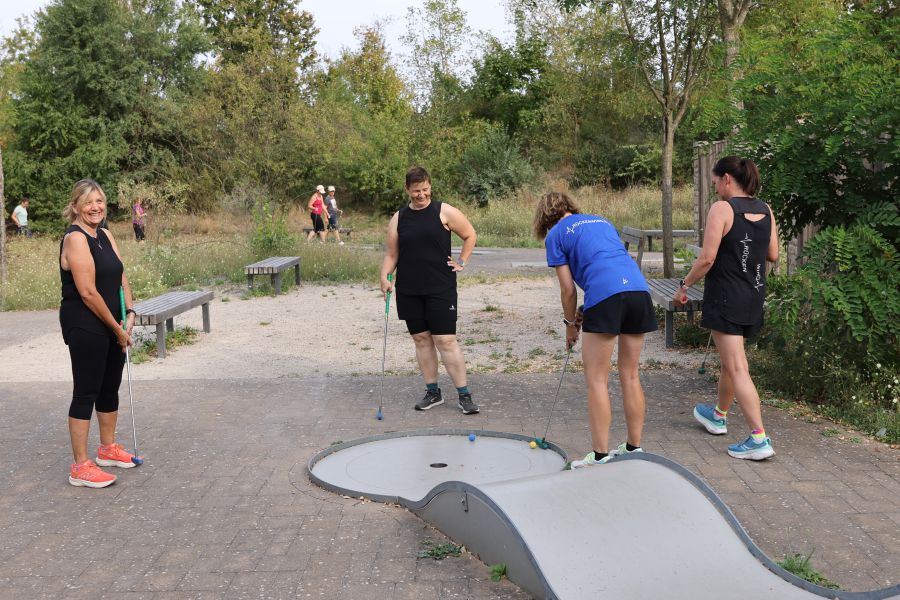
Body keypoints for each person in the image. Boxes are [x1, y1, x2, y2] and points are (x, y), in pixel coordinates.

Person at [534, 192, 657, 468]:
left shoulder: (555, 235)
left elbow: (567, 290)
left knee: (597, 379)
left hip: (607, 295)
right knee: (631, 375)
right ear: (570, 206)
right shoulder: (601, 221)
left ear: (544, 217)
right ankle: (634, 448)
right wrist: (588, 309)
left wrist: (569, 326)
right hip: (638, 290)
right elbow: (608, 264)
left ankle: (600, 455)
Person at [674, 156, 779, 461]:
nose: (716, 187)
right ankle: (718, 415)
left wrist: (684, 284)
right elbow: (773, 254)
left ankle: (759, 438)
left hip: (726, 297)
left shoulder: (722, 209)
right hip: (753, 295)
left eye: (716, 181)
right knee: (731, 361)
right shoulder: (766, 209)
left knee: (737, 367)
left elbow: (706, 258)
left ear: (728, 180)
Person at [59, 179, 139, 488]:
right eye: (89, 202)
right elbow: (89, 293)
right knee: (86, 391)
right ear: (76, 206)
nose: (96, 207)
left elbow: (120, 274)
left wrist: (129, 311)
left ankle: (107, 449)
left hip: (113, 321)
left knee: (109, 387)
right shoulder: (75, 239)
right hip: (85, 322)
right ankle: (80, 466)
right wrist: (117, 328)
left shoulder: (104, 233)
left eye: (100, 201)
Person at [380, 166, 479, 414]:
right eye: (416, 191)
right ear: (407, 190)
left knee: (445, 340)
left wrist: (462, 261)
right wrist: (384, 276)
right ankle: (433, 392)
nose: (421, 195)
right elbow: (392, 254)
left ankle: (464, 395)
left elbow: (470, 234)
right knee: (422, 339)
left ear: (430, 187)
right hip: (409, 289)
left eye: (424, 190)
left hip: (440, 287)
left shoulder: (443, 211)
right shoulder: (399, 218)